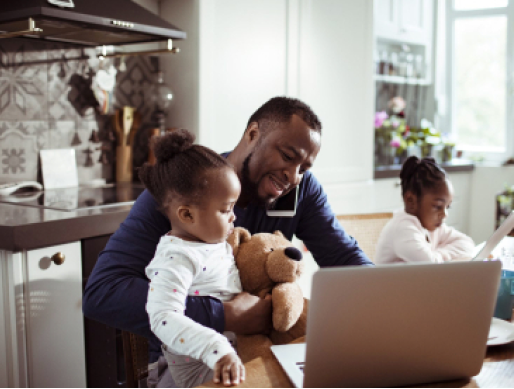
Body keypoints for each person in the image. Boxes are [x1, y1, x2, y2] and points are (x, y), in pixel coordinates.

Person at [82, 97, 373, 388]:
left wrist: (390, 298)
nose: (293, 176)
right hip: (191, 368)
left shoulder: (302, 192)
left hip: (258, 356)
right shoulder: (184, 192)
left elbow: (344, 257)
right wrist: (224, 316)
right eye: (287, 155)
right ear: (252, 134)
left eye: (304, 168)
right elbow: (103, 293)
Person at [140, 130, 245, 387]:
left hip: (232, 360)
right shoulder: (176, 257)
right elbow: (163, 316)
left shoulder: (211, 242)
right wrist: (217, 349)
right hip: (199, 374)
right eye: (225, 209)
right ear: (187, 216)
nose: (233, 217)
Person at [375, 156, 475, 264]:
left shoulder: (432, 227)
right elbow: (430, 264)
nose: (444, 214)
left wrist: (438, 254)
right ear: (411, 200)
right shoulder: (402, 228)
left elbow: (468, 244)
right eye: (437, 206)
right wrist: (440, 255)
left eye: (447, 207)